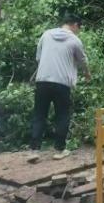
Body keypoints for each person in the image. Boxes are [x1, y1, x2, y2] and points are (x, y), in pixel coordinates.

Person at [30, 14, 91, 160]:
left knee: (39, 114)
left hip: (42, 81)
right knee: (62, 115)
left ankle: (34, 151)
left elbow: (38, 57)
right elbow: (82, 60)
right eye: (79, 28)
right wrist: (87, 74)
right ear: (75, 25)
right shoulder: (75, 40)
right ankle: (59, 149)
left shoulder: (46, 35)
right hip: (62, 84)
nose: (78, 31)